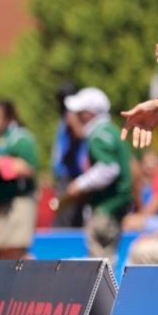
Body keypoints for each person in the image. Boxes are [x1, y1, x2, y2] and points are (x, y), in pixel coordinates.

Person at [58, 87, 132, 260]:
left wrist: (78, 185)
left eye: (79, 112)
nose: (75, 116)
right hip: (113, 207)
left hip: (106, 208)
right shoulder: (110, 130)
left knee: (100, 261)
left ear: (88, 113)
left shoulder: (99, 134)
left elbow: (108, 168)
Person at [0, 100, 38, 260]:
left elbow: (26, 168)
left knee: (15, 252)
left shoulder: (20, 138)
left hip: (17, 203)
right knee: (1, 253)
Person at [50, 83, 86, 228]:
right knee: (65, 217)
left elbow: (80, 134)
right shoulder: (66, 117)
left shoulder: (71, 117)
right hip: (65, 174)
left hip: (71, 175)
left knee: (69, 218)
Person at [122, 149, 158, 233]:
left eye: (150, 164)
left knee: (129, 222)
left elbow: (150, 212)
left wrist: (135, 191)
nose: (146, 168)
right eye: (144, 164)